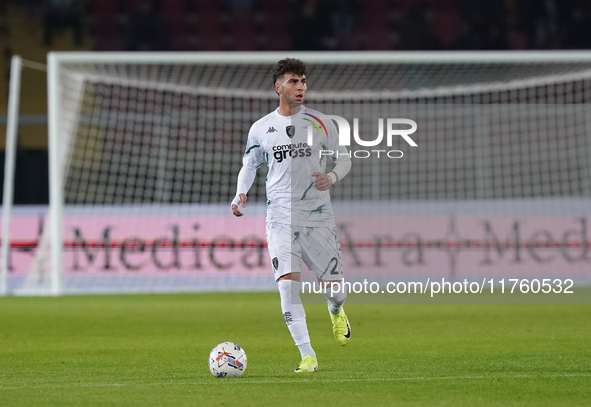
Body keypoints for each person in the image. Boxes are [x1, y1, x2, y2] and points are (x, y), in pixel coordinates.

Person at [231, 58, 352, 373]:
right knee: (287, 286)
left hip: (318, 215)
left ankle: (336, 310)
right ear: (278, 87)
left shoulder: (321, 121)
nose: (301, 87)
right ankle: (308, 355)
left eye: (303, 81)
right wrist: (240, 192)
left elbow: (344, 159)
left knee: (335, 290)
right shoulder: (260, 128)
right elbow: (250, 164)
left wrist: (333, 177)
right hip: (279, 216)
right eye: (294, 82)